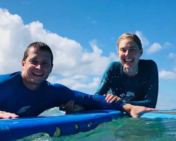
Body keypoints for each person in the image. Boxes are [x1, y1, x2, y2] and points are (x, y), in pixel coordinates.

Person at [0, 42, 156, 119]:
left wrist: (128, 107)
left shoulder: (54, 92)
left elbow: (91, 99)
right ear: (23, 63)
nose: (39, 67)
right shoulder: (5, 84)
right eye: (34, 61)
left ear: (51, 68)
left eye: (45, 63)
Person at [95, 33, 158, 108]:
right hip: (117, 115)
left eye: (132, 49)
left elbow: (151, 104)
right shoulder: (113, 68)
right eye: (123, 50)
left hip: (138, 116)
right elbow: (96, 98)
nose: (127, 54)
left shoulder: (149, 67)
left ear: (140, 52)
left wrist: (121, 101)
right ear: (118, 53)